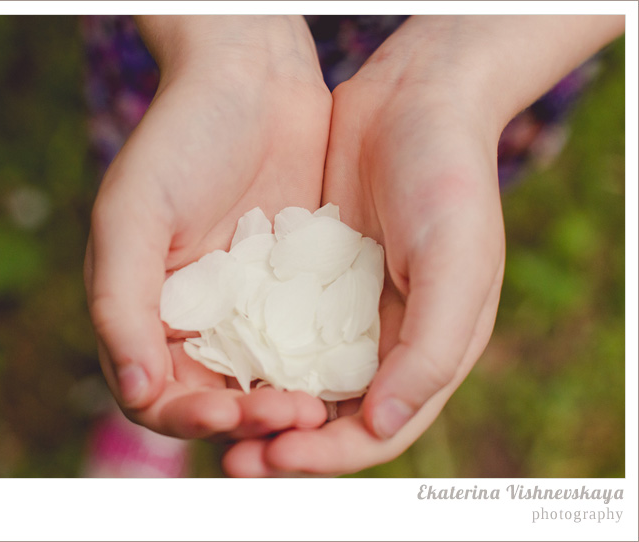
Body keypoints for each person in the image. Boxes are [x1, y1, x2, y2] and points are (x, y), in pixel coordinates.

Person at [82, 15, 625, 477]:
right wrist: (227, 38)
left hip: (497, 42)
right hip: (201, 39)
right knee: (167, 215)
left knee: (420, 201)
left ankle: (176, 368)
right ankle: (164, 368)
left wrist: (455, 73)